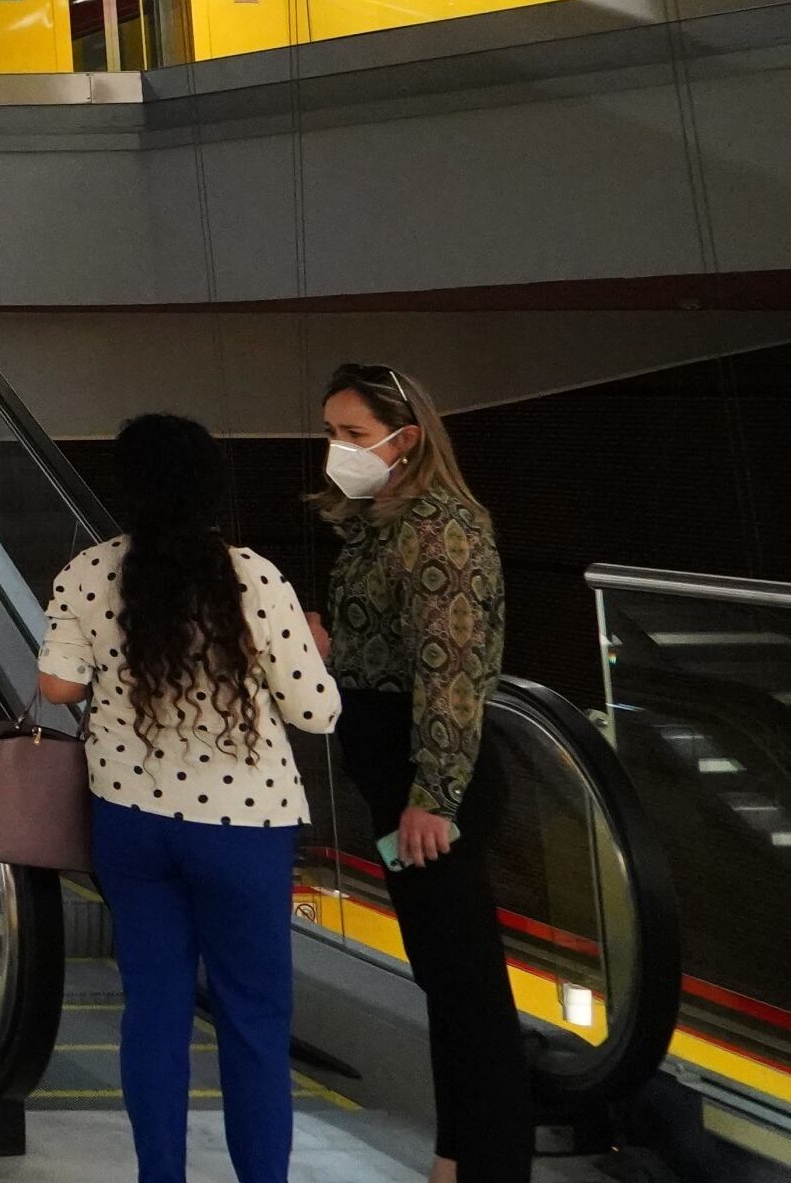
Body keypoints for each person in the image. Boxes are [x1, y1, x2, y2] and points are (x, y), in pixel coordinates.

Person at [39, 414, 339, 1183]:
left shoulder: (87, 572)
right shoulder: (253, 577)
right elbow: (316, 711)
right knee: (253, 1018)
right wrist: (313, 649)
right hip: (244, 830)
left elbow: (59, 687)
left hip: (131, 823)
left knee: (154, 1009)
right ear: (211, 487)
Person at [317, 363, 524, 1183]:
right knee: (445, 975)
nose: (338, 448)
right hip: (392, 780)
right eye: (331, 432)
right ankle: (457, 1153)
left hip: (428, 786)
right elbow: (391, 646)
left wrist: (433, 797)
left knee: (467, 984)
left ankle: (490, 1162)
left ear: (406, 439)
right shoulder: (380, 524)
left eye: (355, 434)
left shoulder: (441, 528)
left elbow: (450, 666)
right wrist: (331, 645)